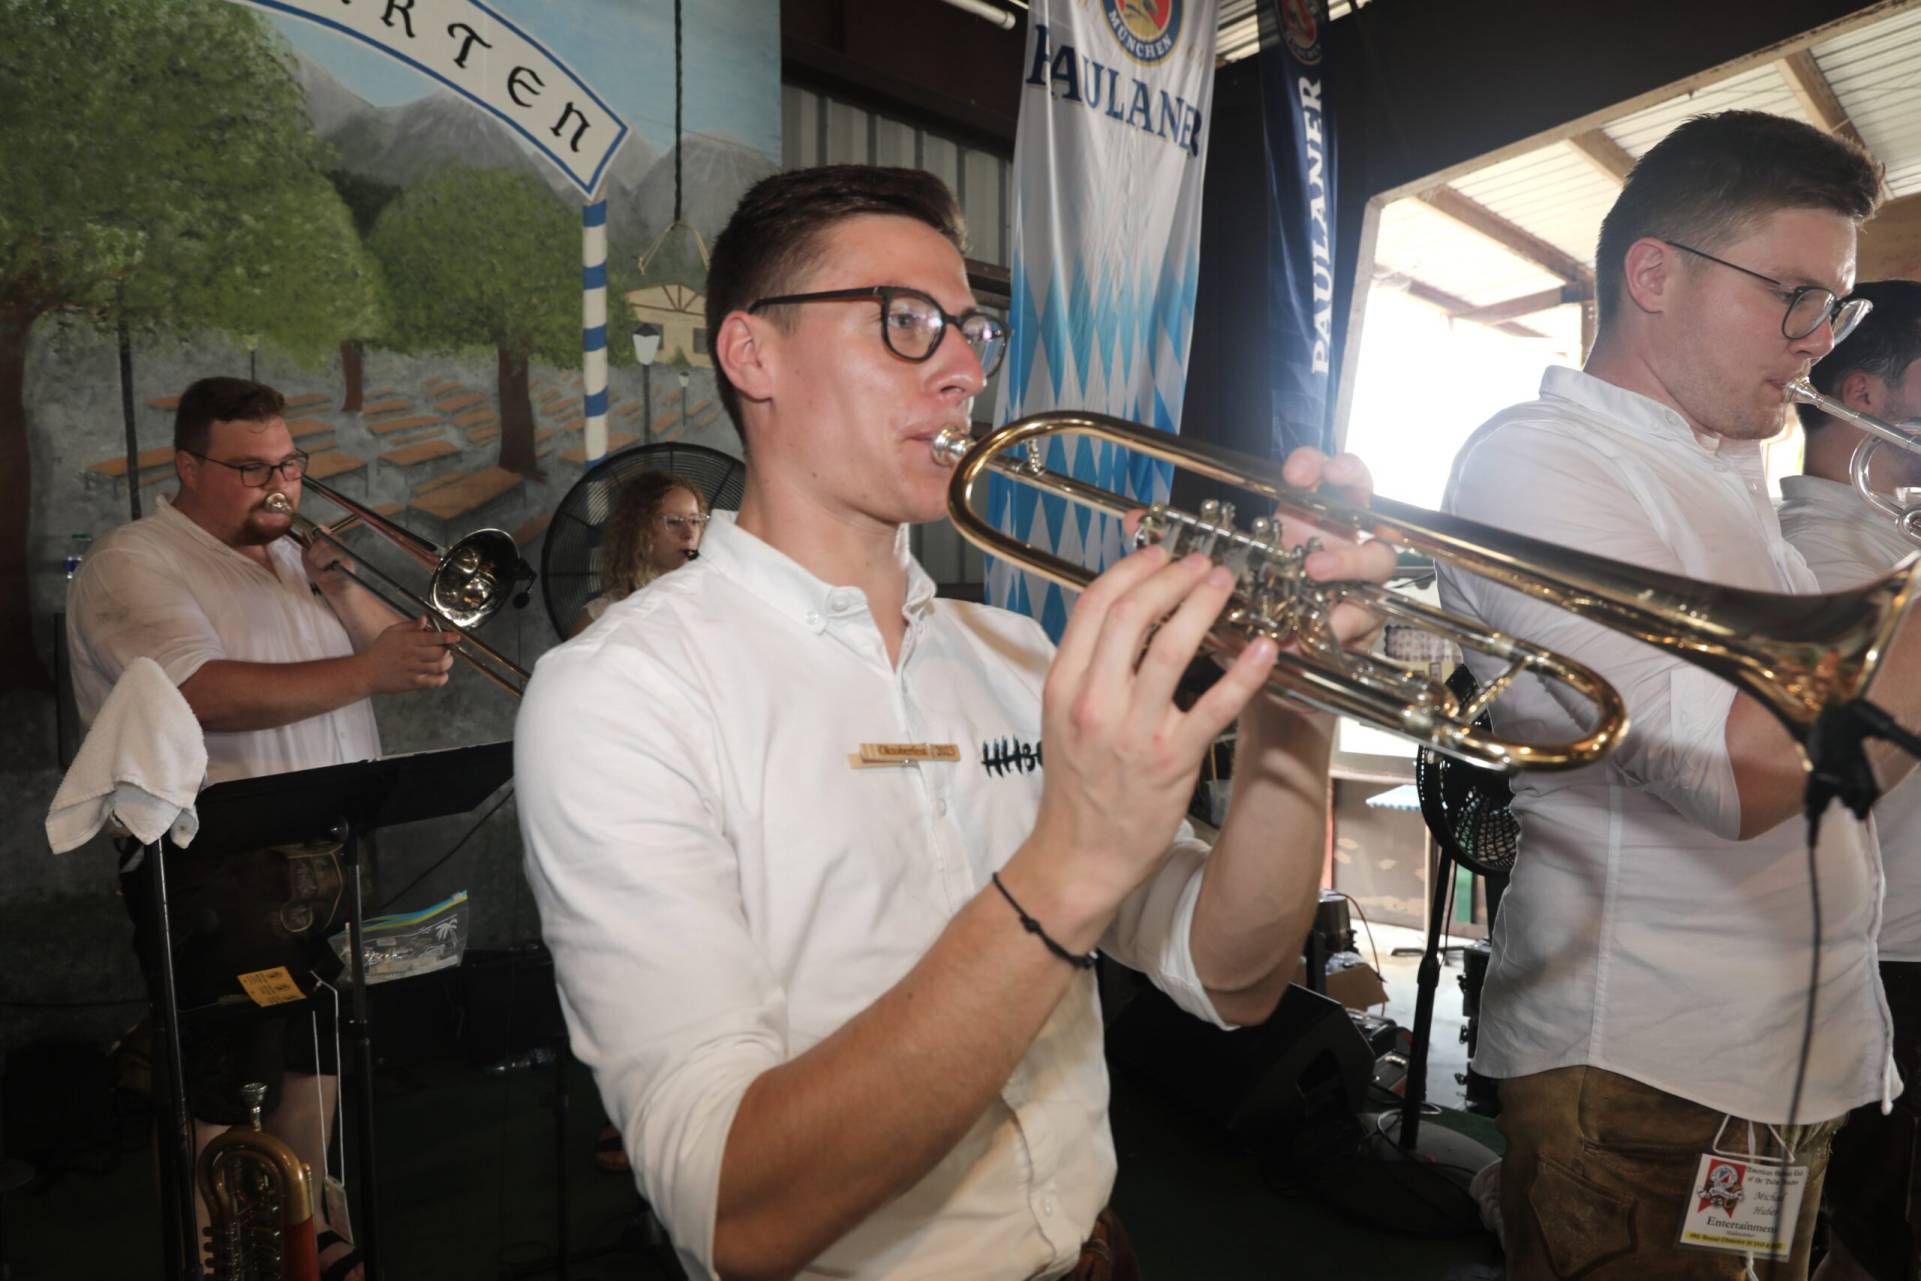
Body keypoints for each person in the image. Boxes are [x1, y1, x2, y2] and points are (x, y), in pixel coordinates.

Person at [515, 164, 1396, 1280]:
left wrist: (1296, 702)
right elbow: (732, 1211)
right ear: (751, 354)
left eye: (972, 332)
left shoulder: (1016, 651)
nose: (967, 371)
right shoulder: (620, 692)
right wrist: (1070, 863)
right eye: (904, 322)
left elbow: (1233, 975)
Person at [1436, 111, 1921, 1280]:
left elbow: (1846, 767)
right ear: (1652, 276)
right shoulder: (1536, 463)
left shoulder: (1724, 478)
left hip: (1772, 1065)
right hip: (1644, 1078)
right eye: (1793, 296)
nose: (1818, 342)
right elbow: (1738, 775)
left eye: (1835, 308)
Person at [67, 375, 458, 1281]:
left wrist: (345, 591)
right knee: (219, 1083)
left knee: (315, 1058)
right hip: (215, 861)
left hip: (325, 845)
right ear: (187, 465)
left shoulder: (293, 557)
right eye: (251, 468)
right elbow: (198, 692)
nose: (279, 485)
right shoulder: (136, 561)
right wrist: (365, 670)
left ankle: (309, 1246)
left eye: (289, 464)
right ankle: (218, 1264)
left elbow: (415, 661)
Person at [1778, 279, 1921, 1281]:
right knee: (1877, 1235)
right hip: (1883, 954)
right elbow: (1840, 764)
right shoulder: (1814, 555)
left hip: (1899, 944)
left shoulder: (1893, 542)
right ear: (1865, 396)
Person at [571, 470, 710, 636]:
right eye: (674, 522)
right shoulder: (601, 617)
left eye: (695, 521)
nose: (689, 533)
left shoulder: (713, 599)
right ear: (640, 530)